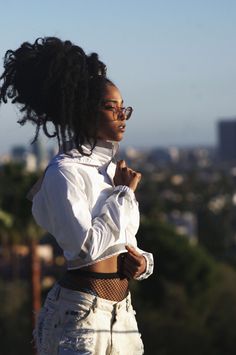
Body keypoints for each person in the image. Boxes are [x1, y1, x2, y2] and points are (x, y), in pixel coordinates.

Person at [0, 37, 154, 355]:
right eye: (111, 108)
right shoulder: (64, 173)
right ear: (84, 112)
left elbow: (124, 241)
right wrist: (124, 194)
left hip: (124, 316)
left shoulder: (112, 171)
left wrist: (142, 263)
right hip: (79, 318)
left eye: (123, 108)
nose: (121, 116)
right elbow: (84, 249)